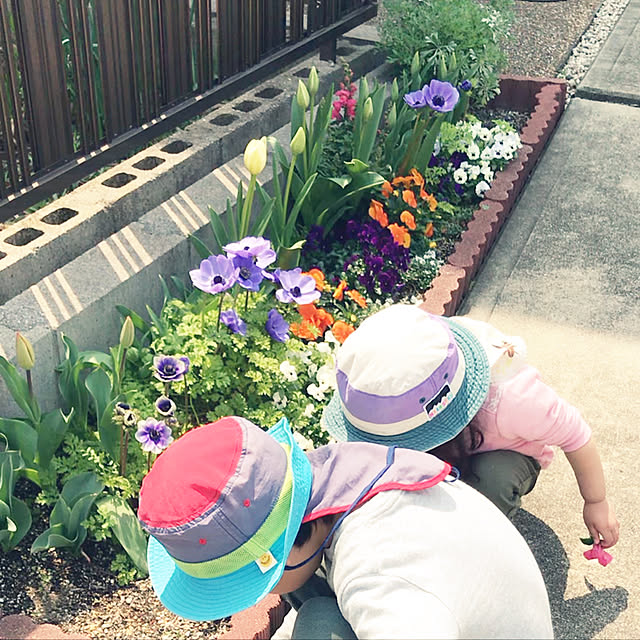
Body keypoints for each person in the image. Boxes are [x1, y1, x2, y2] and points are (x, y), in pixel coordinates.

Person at [137, 415, 554, 639]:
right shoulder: (338, 479)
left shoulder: (380, 572)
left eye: (251, 584)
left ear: (281, 555)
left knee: (319, 624)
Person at [321, 303, 620, 548]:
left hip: (503, 451)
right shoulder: (399, 370)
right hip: (451, 445)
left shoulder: (514, 399)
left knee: (492, 480)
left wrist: (596, 501)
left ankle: (477, 543)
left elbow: (576, 434)